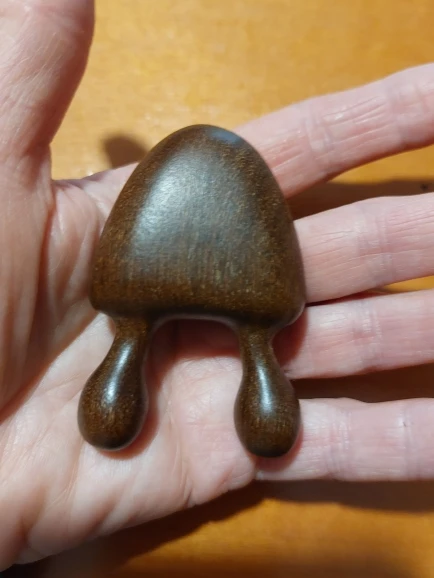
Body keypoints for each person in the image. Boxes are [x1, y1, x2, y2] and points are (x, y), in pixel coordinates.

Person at [1, 0, 434, 569]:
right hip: (217, 277)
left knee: (146, 337)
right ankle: (241, 343)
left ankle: (201, 340)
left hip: (158, 272)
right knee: (249, 343)